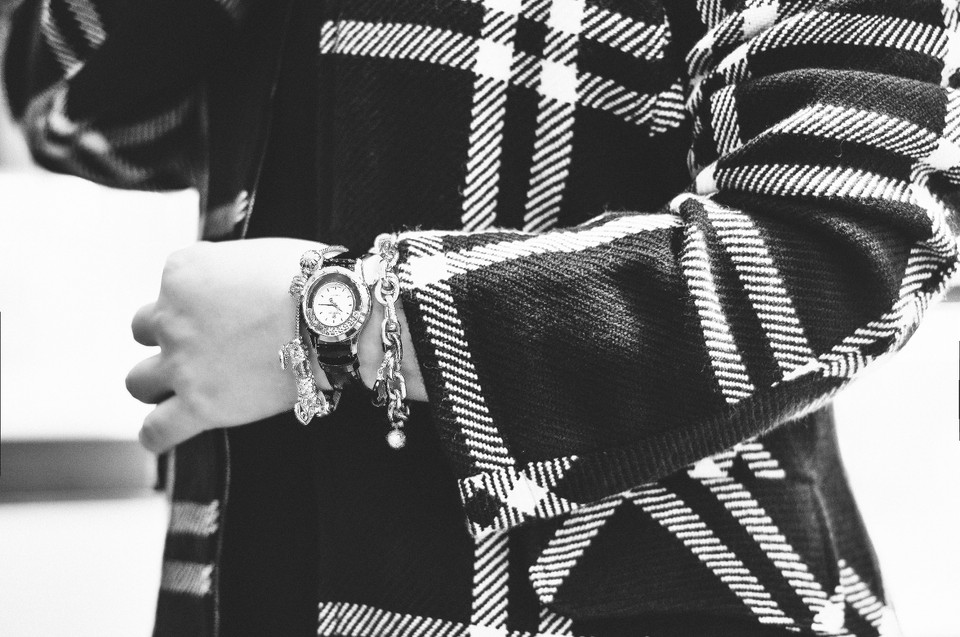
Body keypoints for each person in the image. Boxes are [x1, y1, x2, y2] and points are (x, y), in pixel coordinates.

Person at [6, 0, 959, 635]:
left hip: (612, 601)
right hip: (245, 587)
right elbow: (59, 104)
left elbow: (848, 242)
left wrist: (348, 320)